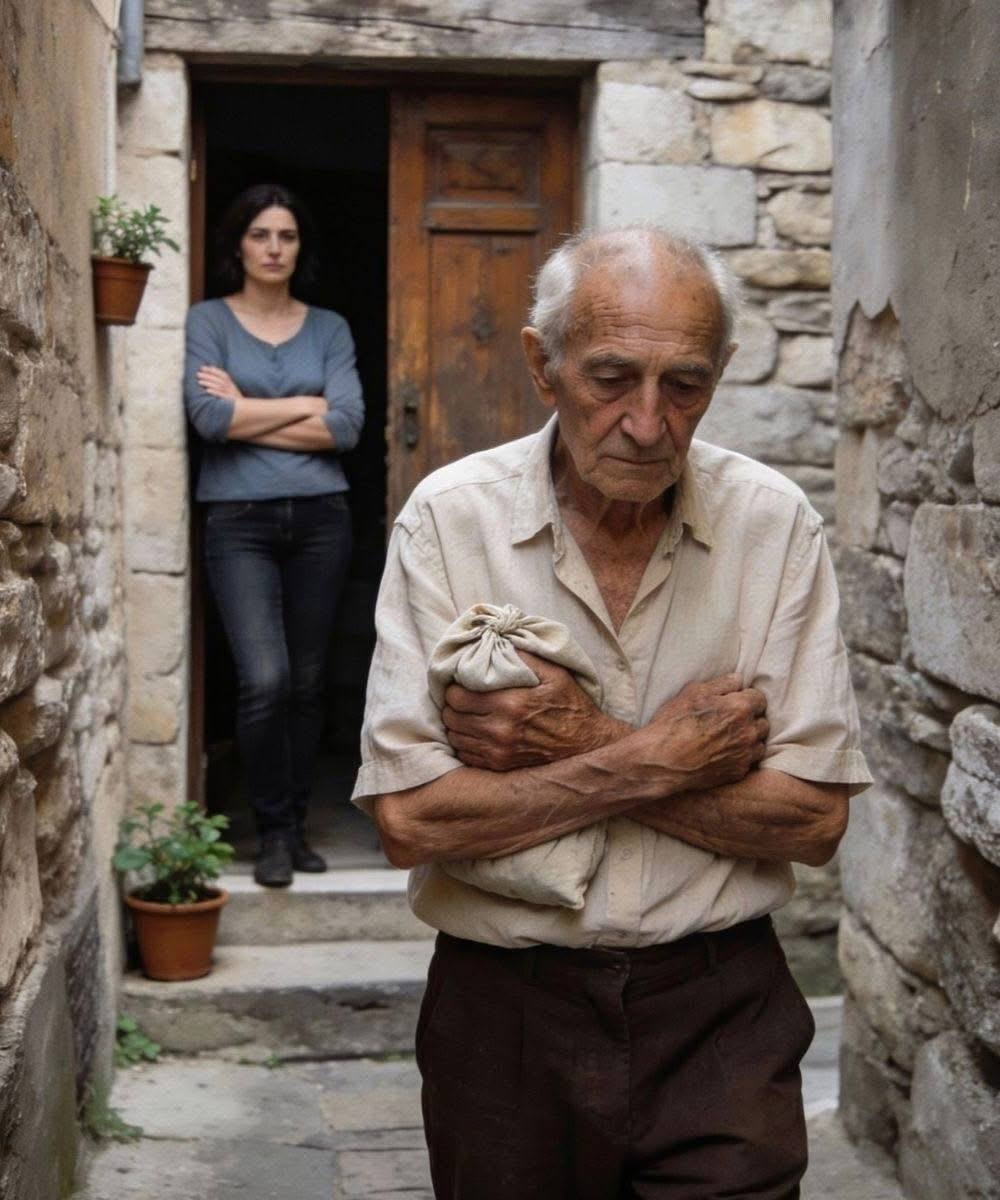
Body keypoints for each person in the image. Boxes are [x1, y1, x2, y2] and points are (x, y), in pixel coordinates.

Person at [353, 226, 871, 1198]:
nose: (645, 422)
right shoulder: (448, 520)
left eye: (684, 385)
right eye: (609, 378)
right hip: (503, 1016)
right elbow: (410, 818)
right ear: (540, 366)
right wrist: (673, 757)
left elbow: (811, 821)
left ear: (717, 377)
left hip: (721, 1012)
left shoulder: (773, 525)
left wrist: (577, 742)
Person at [184, 184, 364, 888]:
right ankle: (271, 832)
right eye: (261, 235)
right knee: (266, 679)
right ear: (239, 244)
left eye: (286, 236)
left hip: (323, 518)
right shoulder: (209, 321)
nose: (274, 248)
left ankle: (291, 823)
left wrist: (246, 406)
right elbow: (207, 420)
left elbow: (345, 427)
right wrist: (304, 408)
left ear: (299, 248)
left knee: (309, 683)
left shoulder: (330, 328)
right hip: (238, 520)